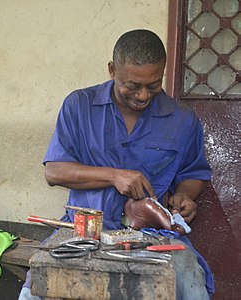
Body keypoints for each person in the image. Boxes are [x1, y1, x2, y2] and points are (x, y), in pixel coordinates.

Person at [19, 29, 214, 300]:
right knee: (35, 292)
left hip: (154, 237)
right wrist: (113, 176)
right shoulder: (79, 106)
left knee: (192, 286)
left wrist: (184, 197)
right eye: (132, 86)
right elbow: (54, 172)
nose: (144, 95)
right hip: (85, 230)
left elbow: (193, 173)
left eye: (154, 85)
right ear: (112, 70)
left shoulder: (182, 120)